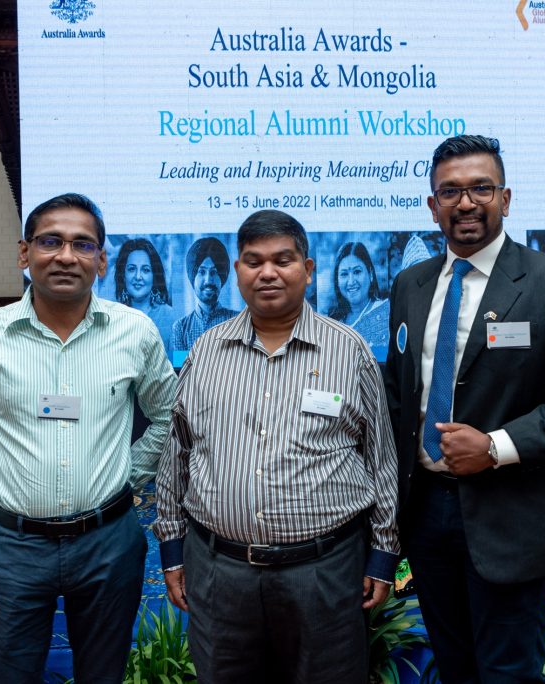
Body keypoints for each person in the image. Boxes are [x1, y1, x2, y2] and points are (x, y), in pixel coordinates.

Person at [384, 135, 545, 683]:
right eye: (451, 191)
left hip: (510, 514)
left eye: (480, 188)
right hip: (425, 514)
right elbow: (400, 397)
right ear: (432, 205)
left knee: (507, 672)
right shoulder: (410, 285)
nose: (466, 203)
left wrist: (494, 447)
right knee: (455, 664)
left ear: (505, 199)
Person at [0, 193, 177, 682]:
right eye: (51, 241)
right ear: (24, 254)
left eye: (83, 245)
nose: (67, 256)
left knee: (103, 674)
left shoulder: (135, 331)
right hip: (13, 547)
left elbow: (171, 416)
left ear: (102, 260)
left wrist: (127, 473)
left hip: (110, 544)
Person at [155, 209, 400, 684]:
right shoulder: (205, 351)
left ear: (307, 271)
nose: (267, 272)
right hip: (219, 570)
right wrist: (172, 547)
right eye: (253, 261)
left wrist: (384, 555)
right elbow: (176, 453)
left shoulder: (349, 351)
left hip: (324, 571)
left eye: (283, 260)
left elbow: (381, 460)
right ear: (239, 273)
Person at [169, 236, 238, 351]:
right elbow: (182, 368)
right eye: (201, 272)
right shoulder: (181, 328)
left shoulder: (238, 321)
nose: (208, 280)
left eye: (214, 272)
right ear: (193, 277)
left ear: (221, 277)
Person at [327, 241, 390, 348]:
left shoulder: (385, 312)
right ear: (337, 280)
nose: (351, 282)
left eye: (357, 272)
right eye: (344, 274)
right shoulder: (333, 321)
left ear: (370, 274)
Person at [114, 237, 174, 349]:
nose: (138, 277)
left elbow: (180, 361)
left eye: (145, 270)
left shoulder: (171, 318)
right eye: (132, 269)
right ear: (123, 275)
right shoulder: (112, 318)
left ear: (154, 276)